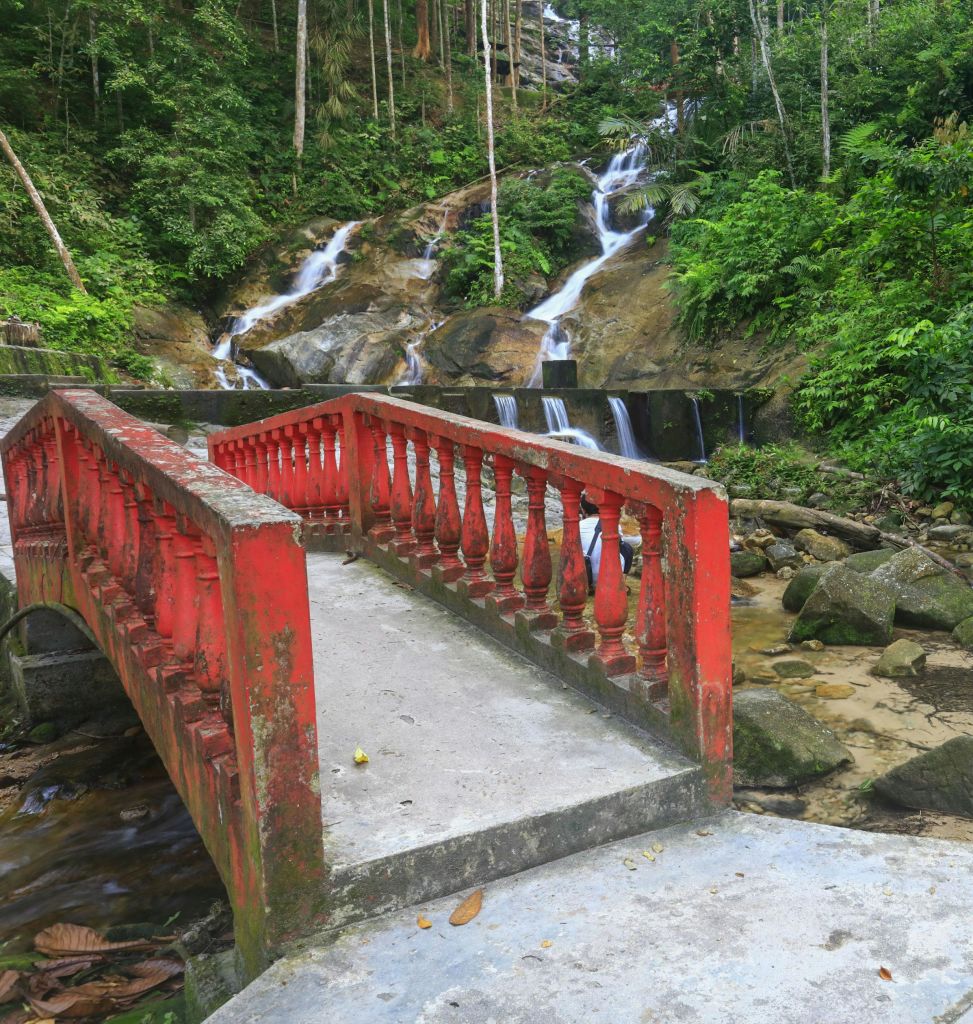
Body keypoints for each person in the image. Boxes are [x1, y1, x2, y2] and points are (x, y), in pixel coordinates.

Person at [578, 494, 641, 588]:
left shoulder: (578, 525)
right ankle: (622, 584)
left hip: (584, 577)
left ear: (583, 510)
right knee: (626, 548)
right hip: (608, 579)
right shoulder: (614, 525)